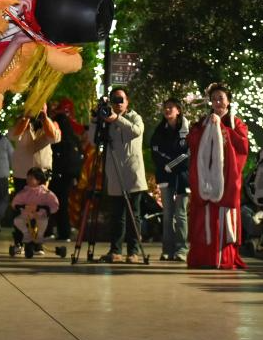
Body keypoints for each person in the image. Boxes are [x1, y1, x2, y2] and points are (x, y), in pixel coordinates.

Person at [187, 84, 249, 269]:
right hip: (206, 181)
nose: (217, 102)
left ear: (228, 101)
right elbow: (192, 142)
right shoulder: (203, 122)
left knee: (224, 217)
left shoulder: (236, 123)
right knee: (205, 218)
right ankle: (204, 258)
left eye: (221, 98)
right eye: (214, 99)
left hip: (227, 180)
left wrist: (221, 128)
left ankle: (223, 258)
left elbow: (242, 146)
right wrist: (204, 129)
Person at [89, 88, 148, 263]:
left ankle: (133, 252)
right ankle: (115, 251)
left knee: (133, 215)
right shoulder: (105, 119)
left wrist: (116, 119)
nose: (118, 103)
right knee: (116, 216)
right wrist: (95, 120)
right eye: (115, 100)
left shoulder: (135, 117)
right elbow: (93, 140)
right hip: (114, 172)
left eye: (121, 99)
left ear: (127, 101)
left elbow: (136, 131)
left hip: (132, 173)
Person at [7, 107, 60, 245]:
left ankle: (37, 242)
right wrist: (26, 117)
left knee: (41, 209)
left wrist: (44, 118)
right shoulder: (19, 122)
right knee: (21, 209)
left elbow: (54, 138)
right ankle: (19, 241)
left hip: (42, 176)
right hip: (22, 174)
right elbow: (13, 135)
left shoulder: (51, 123)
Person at [150, 97, 191, 262]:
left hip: (182, 177)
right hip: (165, 176)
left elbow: (188, 154)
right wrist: (166, 164)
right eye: (165, 107)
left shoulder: (187, 131)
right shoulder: (160, 130)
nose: (167, 110)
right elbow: (155, 151)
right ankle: (167, 250)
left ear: (178, 110)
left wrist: (171, 164)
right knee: (167, 214)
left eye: (171, 107)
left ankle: (182, 250)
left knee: (181, 214)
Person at [49, 100, 84, 241]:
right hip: (69, 175)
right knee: (63, 204)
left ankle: (51, 230)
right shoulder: (73, 139)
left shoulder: (58, 140)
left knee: (51, 202)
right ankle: (64, 231)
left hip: (58, 174)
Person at [10, 168, 60, 258]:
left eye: (31, 178)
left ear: (38, 180)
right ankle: (26, 235)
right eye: (27, 178)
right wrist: (20, 206)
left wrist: (45, 209)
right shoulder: (24, 192)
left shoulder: (45, 193)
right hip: (27, 215)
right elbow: (16, 202)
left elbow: (54, 204)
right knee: (17, 221)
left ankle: (38, 241)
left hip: (40, 215)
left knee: (42, 222)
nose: (28, 180)